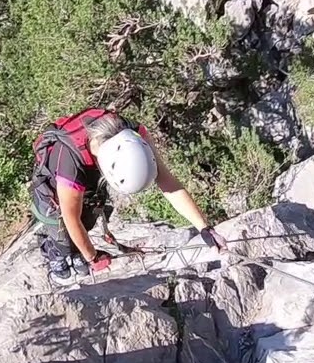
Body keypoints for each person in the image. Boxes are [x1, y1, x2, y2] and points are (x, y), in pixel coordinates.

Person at [28, 107, 228, 286]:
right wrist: (93, 257)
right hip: (51, 190)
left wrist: (205, 228)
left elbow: (168, 183)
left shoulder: (133, 133)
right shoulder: (70, 161)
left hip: (86, 173)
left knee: (88, 217)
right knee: (62, 234)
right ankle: (54, 252)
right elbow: (71, 218)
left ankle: (77, 250)